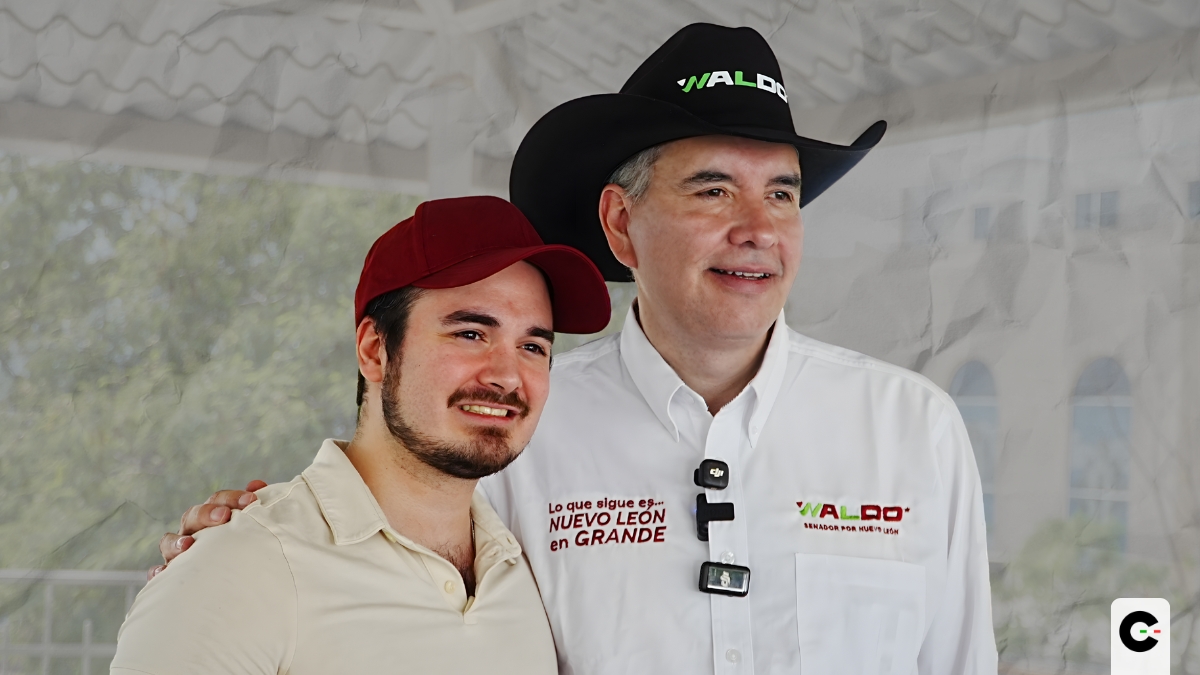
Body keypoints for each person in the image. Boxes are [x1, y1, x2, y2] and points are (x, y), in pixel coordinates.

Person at [160, 24, 998, 675]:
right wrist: (241, 547)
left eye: (782, 194)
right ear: (621, 224)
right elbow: (386, 573)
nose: (758, 228)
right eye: (713, 188)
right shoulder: (515, 427)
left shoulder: (913, 428)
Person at [112, 196, 611, 674]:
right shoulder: (243, 566)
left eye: (532, 346)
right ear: (375, 350)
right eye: (470, 334)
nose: (507, 376)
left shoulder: (529, 570)